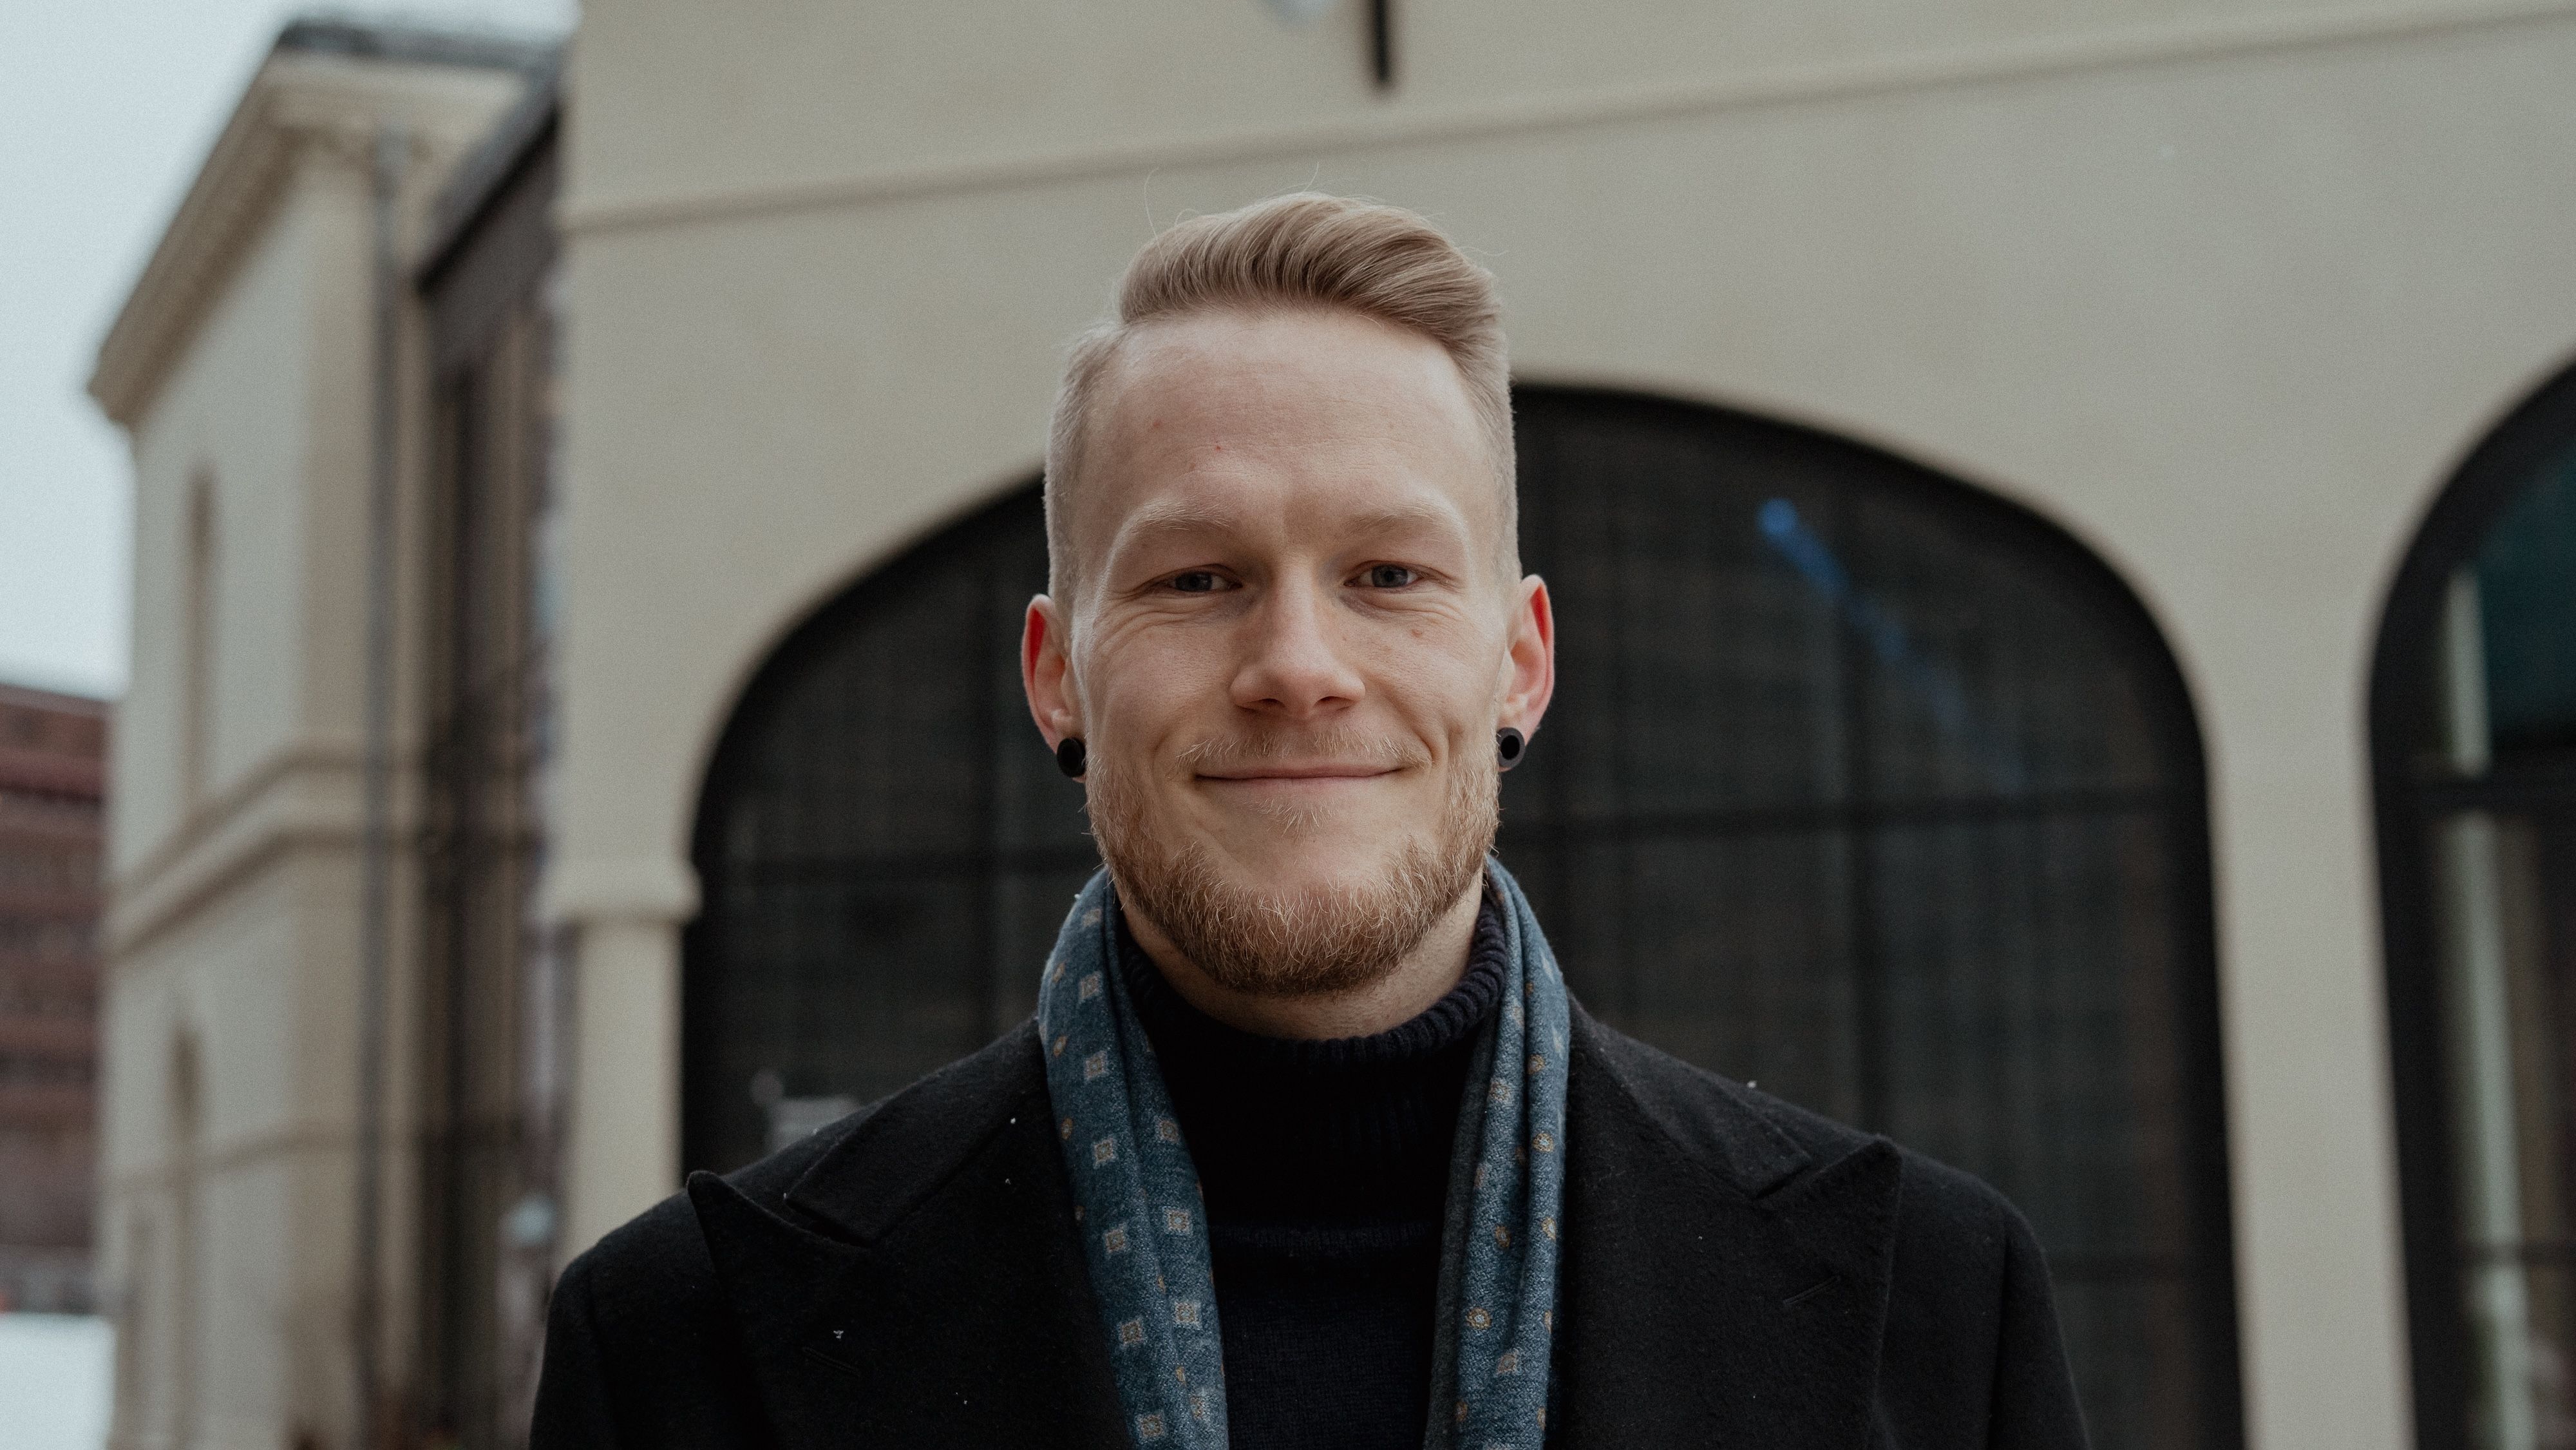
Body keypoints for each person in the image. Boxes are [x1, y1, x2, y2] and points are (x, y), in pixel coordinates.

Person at [531, 194, 2088, 1449]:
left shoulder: (1930, 1311)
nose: (1296, 667)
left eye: (1389, 574)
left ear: (1521, 661)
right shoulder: (690, 1339)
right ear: (1056, 673)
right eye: (1196, 576)